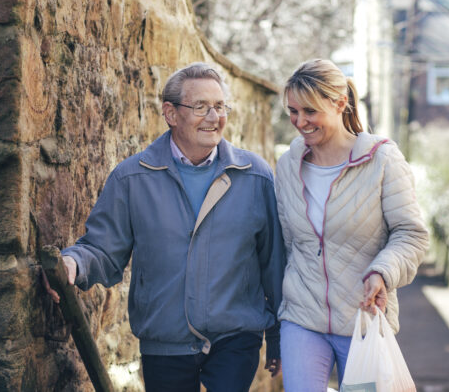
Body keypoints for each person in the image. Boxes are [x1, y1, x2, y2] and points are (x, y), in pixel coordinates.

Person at [57, 62, 285, 392]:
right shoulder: (132, 178)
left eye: (219, 106)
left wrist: (277, 337)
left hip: (235, 340)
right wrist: (74, 263)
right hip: (164, 343)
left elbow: (273, 264)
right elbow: (103, 249)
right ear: (171, 112)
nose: (214, 117)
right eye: (201, 107)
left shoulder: (254, 176)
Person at [275, 59, 429, 391]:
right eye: (293, 111)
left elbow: (412, 234)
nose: (300, 122)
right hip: (302, 317)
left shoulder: (382, 160)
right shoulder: (287, 165)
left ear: (340, 103)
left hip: (364, 318)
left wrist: (382, 272)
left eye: (310, 111)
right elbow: (288, 244)